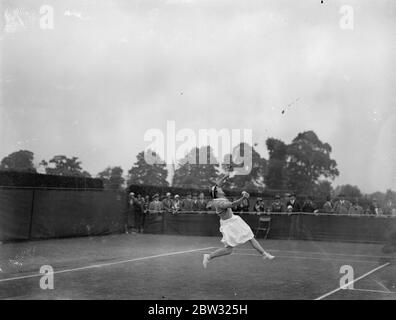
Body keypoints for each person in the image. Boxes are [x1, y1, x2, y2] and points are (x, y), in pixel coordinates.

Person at [202, 173, 274, 269]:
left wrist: (225, 176)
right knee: (229, 250)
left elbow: (217, 184)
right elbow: (233, 204)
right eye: (218, 188)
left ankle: (264, 253)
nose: (220, 187)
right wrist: (243, 198)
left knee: (250, 237)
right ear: (216, 192)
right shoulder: (219, 202)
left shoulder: (217, 195)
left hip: (234, 220)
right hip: (228, 225)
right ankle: (209, 256)